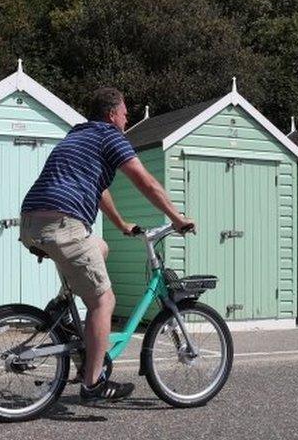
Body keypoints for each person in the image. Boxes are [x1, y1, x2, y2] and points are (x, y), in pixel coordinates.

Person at [20, 87, 195, 403]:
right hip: (62, 221)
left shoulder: (79, 136)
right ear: (112, 114)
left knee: (99, 247)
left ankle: (63, 308)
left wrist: (121, 225)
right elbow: (144, 181)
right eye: (126, 112)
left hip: (32, 220)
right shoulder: (110, 137)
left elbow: (99, 190)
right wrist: (177, 217)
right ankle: (92, 384)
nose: (127, 118)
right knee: (104, 302)